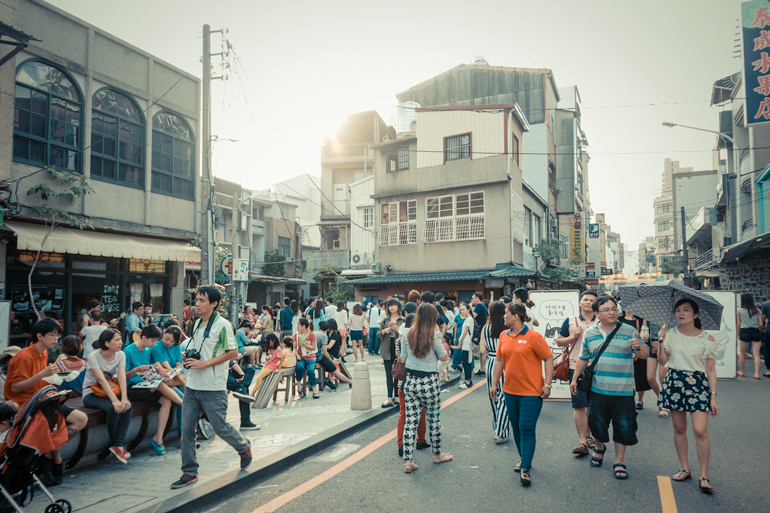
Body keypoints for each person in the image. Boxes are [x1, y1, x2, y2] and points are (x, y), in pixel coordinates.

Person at [172, 286, 252, 489]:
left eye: (201, 300)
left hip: (213, 387)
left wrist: (204, 363)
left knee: (219, 427)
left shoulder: (223, 326)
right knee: (187, 430)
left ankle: (243, 447)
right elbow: (200, 348)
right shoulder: (196, 323)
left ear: (214, 304)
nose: (196, 304)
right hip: (192, 385)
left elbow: (233, 353)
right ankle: (189, 472)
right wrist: (189, 356)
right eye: (196, 299)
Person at [569, 295, 648, 480]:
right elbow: (583, 358)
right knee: (597, 424)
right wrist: (574, 379)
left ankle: (619, 460)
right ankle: (598, 448)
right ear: (596, 313)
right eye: (607, 310)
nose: (612, 312)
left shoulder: (629, 330)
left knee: (623, 427)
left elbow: (644, 354)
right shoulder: (590, 333)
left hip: (624, 390)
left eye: (614, 309)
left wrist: (638, 347)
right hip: (598, 389)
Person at [4, 319, 88, 484]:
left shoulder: (43, 353)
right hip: (25, 405)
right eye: (52, 335)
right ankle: (56, 459)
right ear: (39, 336)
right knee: (54, 425)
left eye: (58, 335)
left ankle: (49, 455)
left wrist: (54, 379)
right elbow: (15, 388)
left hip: (42, 400)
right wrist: (43, 375)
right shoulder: (24, 356)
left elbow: (40, 380)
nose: (56, 338)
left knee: (81, 419)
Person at [656, 299, 719, 493]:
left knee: (700, 430)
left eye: (686, 310)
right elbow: (663, 361)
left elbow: (710, 369)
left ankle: (704, 475)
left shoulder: (707, 339)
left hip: (698, 384)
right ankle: (685, 468)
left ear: (696, 314)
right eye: (677, 310)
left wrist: (713, 396)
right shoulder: (669, 334)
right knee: (679, 428)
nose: (681, 313)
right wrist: (660, 342)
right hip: (675, 381)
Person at [490, 302, 553, 486]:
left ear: (515, 316)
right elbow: (499, 361)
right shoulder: (503, 335)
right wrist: (494, 384)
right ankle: (524, 458)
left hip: (532, 393)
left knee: (526, 428)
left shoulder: (534, 337)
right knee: (516, 427)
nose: (503, 317)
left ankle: (525, 466)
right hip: (510, 391)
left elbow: (548, 358)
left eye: (506, 314)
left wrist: (547, 384)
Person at [400, 304, 452, 473]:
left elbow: (402, 358)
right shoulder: (435, 334)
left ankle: (408, 461)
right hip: (429, 381)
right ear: (432, 318)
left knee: (411, 420)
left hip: (411, 381)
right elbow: (444, 356)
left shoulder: (407, 334)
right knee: (434, 419)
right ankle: (437, 455)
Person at [124, 324, 184, 456]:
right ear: (144, 337)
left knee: (166, 401)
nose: (155, 343)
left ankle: (158, 438)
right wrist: (136, 370)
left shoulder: (147, 350)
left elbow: (152, 368)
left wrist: (159, 371)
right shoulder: (128, 351)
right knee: (159, 385)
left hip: (146, 385)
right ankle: (184, 404)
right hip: (131, 387)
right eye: (153, 341)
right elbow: (122, 377)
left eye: (156, 340)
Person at [555, 289, 598, 455]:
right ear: (580, 302)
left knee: (594, 405)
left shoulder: (601, 322)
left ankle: (589, 435)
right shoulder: (571, 320)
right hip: (575, 368)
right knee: (580, 405)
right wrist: (572, 337)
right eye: (585, 299)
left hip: (598, 368)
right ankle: (582, 441)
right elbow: (559, 341)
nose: (588, 302)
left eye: (591, 300)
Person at [82, 329, 133, 464]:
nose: (120, 342)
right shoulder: (94, 356)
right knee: (112, 408)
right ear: (106, 343)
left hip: (110, 391)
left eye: (120, 339)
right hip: (91, 393)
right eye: (116, 340)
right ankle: (115, 444)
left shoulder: (121, 354)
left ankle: (119, 445)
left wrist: (123, 398)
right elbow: (101, 380)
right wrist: (115, 401)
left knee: (127, 406)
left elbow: (121, 377)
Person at [480, 301, 511, 445]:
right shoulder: (508, 329)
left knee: (493, 396)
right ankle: (501, 432)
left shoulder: (486, 329)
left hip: (491, 363)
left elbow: (482, 351)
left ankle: (496, 429)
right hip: (506, 363)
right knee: (504, 398)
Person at [617, 311, 653, 410]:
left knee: (640, 376)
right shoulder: (619, 319)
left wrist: (643, 338)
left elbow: (646, 335)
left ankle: (639, 400)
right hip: (624, 351)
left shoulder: (641, 320)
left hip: (639, 351)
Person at [379, 299, 404, 408]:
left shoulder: (403, 320)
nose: (392, 308)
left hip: (399, 350)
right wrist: (385, 330)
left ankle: (397, 396)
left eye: (394, 305)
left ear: (399, 307)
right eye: (390, 306)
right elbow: (378, 334)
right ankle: (389, 397)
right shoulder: (385, 319)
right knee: (388, 374)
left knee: (398, 373)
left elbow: (407, 334)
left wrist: (397, 329)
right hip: (387, 349)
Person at [316, 321, 353, 390]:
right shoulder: (324, 336)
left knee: (334, 365)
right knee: (335, 370)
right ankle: (350, 381)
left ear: (319, 327)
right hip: (321, 357)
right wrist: (331, 359)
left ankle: (329, 380)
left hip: (314, 356)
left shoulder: (314, 333)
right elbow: (325, 352)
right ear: (327, 329)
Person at [737, 293, 763, 379]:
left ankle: (742, 372)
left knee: (742, 353)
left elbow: (738, 324)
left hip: (744, 331)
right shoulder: (757, 310)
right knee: (756, 354)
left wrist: (738, 333)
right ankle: (756, 374)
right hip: (755, 331)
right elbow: (761, 324)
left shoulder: (739, 310)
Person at [293, 319, 319, 399]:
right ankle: (299, 388)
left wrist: (305, 345)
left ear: (303, 326)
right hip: (300, 357)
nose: (297, 326)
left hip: (311, 357)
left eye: (298, 325)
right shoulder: (296, 335)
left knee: (310, 371)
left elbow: (314, 347)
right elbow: (294, 348)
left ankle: (315, 390)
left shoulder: (312, 335)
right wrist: (297, 355)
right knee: (299, 368)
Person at [456, 302, 475, 389]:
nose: (462, 311)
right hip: (467, 343)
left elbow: (465, 331)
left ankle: (467, 381)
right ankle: (469, 381)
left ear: (468, 310)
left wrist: (460, 339)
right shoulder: (470, 319)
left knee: (466, 362)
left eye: (463, 309)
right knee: (468, 362)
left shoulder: (468, 319)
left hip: (466, 343)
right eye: (461, 310)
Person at [471, 293, 489, 377]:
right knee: (482, 351)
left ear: (477, 298)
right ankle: (482, 369)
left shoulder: (479, 306)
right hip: (482, 330)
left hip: (479, 331)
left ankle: (464, 367)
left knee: (473, 349)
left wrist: (469, 308)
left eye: (473, 299)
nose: (472, 300)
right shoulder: (482, 306)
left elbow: (473, 316)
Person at [761, 298, 770, 378]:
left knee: (767, 350)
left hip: (769, 330)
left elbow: (762, 319)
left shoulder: (766, 304)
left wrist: (762, 327)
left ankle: (769, 371)